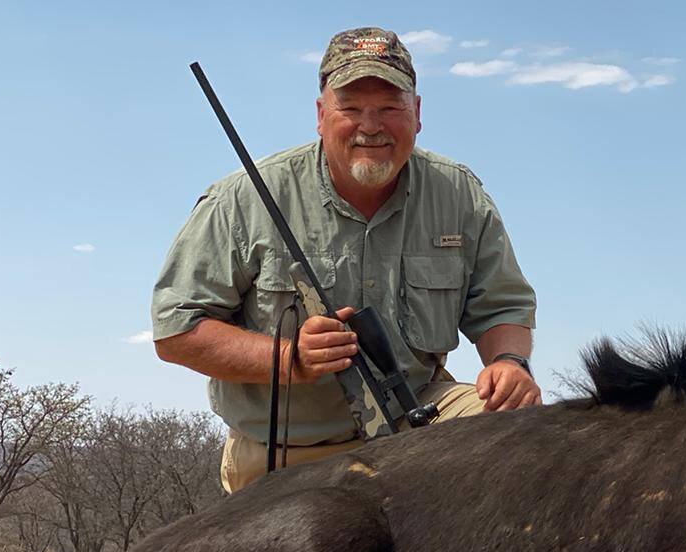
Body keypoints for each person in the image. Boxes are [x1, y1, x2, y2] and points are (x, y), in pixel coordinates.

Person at [152, 27, 540, 493]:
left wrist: (510, 363)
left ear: (416, 114)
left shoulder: (458, 192)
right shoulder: (243, 198)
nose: (370, 126)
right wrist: (290, 358)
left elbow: (502, 306)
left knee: (525, 431)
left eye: (390, 108)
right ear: (321, 115)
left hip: (417, 425)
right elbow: (176, 330)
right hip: (290, 448)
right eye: (351, 109)